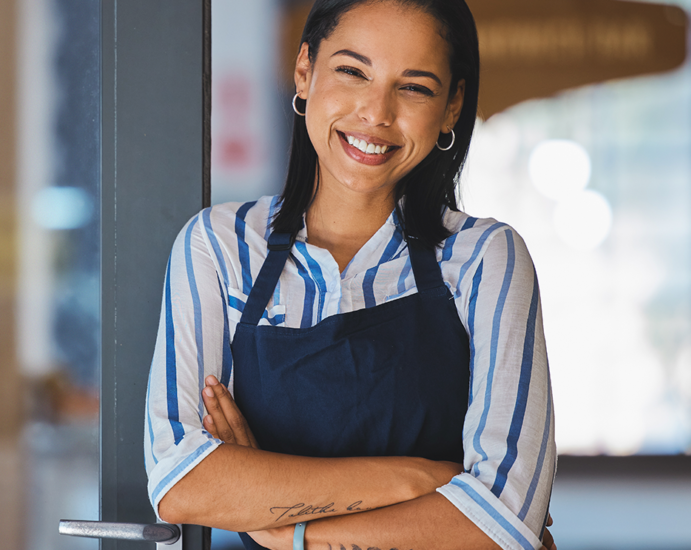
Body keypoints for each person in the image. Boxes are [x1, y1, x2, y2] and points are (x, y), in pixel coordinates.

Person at [144, 1, 556, 549]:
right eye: (352, 71)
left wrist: (283, 530)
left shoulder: (486, 258)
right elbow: (182, 481)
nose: (376, 112)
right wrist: (423, 480)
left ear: (453, 106)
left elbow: (504, 518)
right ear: (304, 71)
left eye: (414, 87)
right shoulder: (218, 247)